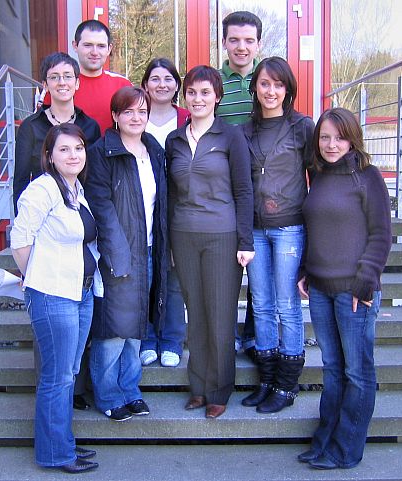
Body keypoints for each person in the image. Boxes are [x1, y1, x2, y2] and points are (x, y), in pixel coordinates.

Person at [297, 108, 392, 470]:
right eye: (324, 137)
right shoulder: (318, 175)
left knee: (357, 372)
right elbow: (316, 228)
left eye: (338, 137)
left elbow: (381, 234)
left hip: (355, 290)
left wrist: (366, 282)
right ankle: (324, 441)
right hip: (320, 289)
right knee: (333, 369)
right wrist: (306, 269)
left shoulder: (367, 177)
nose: (331, 144)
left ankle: (346, 448)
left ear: (352, 138)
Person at [10, 123, 102, 473]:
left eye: (78, 148)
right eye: (64, 149)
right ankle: (54, 454)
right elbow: (21, 239)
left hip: (81, 291)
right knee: (57, 376)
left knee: (68, 372)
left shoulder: (75, 190)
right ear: (48, 155)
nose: (73, 155)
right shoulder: (43, 188)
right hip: (54, 294)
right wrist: (33, 275)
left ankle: (63, 444)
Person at [166, 65, 254, 419]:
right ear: (184, 96)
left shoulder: (231, 136)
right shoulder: (173, 140)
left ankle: (220, 388)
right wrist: (169, 243)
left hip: (222, 235)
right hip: (183, 234)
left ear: (217, 97)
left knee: (219, 315)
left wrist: (245, 241)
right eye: (192, 92)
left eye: (205, 92)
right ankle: (198, 386)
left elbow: (244, 191)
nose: (198, 98)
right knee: (196, 312)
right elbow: (170, 194)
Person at [85, 87, 168, 422]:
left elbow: (161, 204)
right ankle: (107, 394)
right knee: (112, 330)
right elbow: (101, 209)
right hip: (117, 254)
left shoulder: (154, 150)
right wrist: (118, 256)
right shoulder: (102, 153)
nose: (136, 118)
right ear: (115, 116)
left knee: (135, 327)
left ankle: (130, 388)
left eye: (142, 111)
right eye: (129, 112)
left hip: (149, 249)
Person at [241, 57, 314, 414]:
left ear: (288, 89)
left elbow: (318, 177)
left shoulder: (302, 127)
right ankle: (267, 380)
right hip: (255, 230)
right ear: (255, 86)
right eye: (265, 83)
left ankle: (287, 385)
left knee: (287, 305)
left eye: (278, 84)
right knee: (263, 304)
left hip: (289, 228)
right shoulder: (245, 130)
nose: (271, 91)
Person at [217, 10, 262, 358]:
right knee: (230, 263)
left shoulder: (269, 78)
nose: (241, 47)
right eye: (234, 39)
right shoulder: (215, 83)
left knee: (259, 263)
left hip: (266, 186)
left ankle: (253, 332)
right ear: (224, 42)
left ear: (258, 43)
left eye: (248, 40)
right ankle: (227, 330)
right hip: (228, 187)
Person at [139, 58, 189, 368]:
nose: (161, 84)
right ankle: (146, 337)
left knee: (173, 275)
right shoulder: (136, 115)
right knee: (144, 276)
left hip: (179, 205)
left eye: (168, 78)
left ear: (176, 85)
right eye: (155, 78)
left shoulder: (185, 117)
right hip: (143, 205)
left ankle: (171, 338)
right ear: (145, 85)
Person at [13, 52, 101, 214]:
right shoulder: (30, 127)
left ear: (77, 83)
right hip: (42, 214)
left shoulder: (90, 126)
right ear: (45, 85)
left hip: (81, 213)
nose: (62, 83)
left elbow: (94, 178)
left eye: (67, 76)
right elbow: (21, 180)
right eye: (54, 77)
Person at [43, 20, 132, 133]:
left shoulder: (123, 85)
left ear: (109, 49)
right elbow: (42, 129)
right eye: (88, 45)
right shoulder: (60, 86)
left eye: (101, 46)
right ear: (75, 45)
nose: (94, 52)